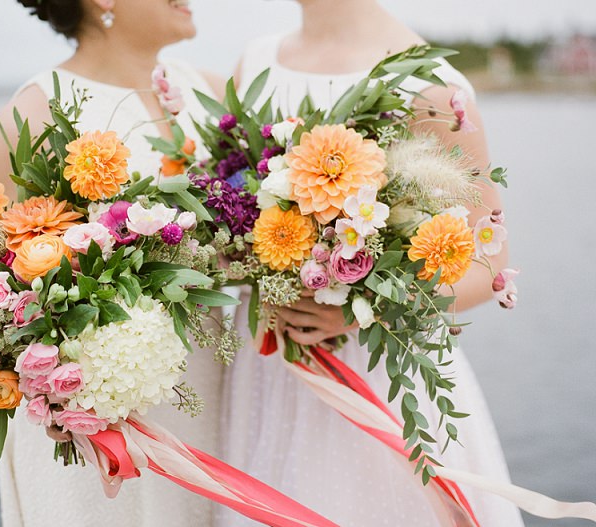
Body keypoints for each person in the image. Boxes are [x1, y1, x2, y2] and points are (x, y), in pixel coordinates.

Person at [217, 1, 526, 525]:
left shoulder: (433, 88)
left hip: (375, 370)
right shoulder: (256, 61)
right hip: (271, 366)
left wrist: (362, 309)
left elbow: (487, 266)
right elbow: (228, 194)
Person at [0, 1, 224, 526]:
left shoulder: (212, 91)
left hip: (215, 396)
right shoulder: (36, 113)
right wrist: (54, 391)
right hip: (95, 426)